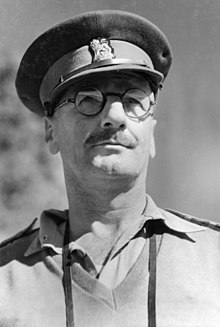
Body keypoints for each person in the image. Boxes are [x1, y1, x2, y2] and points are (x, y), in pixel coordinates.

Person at [0, 9, 220, 327]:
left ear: (152, 133)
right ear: (51, 132)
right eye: (87, 99)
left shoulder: (215, 260)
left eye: (134, 100)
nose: (115, 117)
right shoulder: (5, 278)